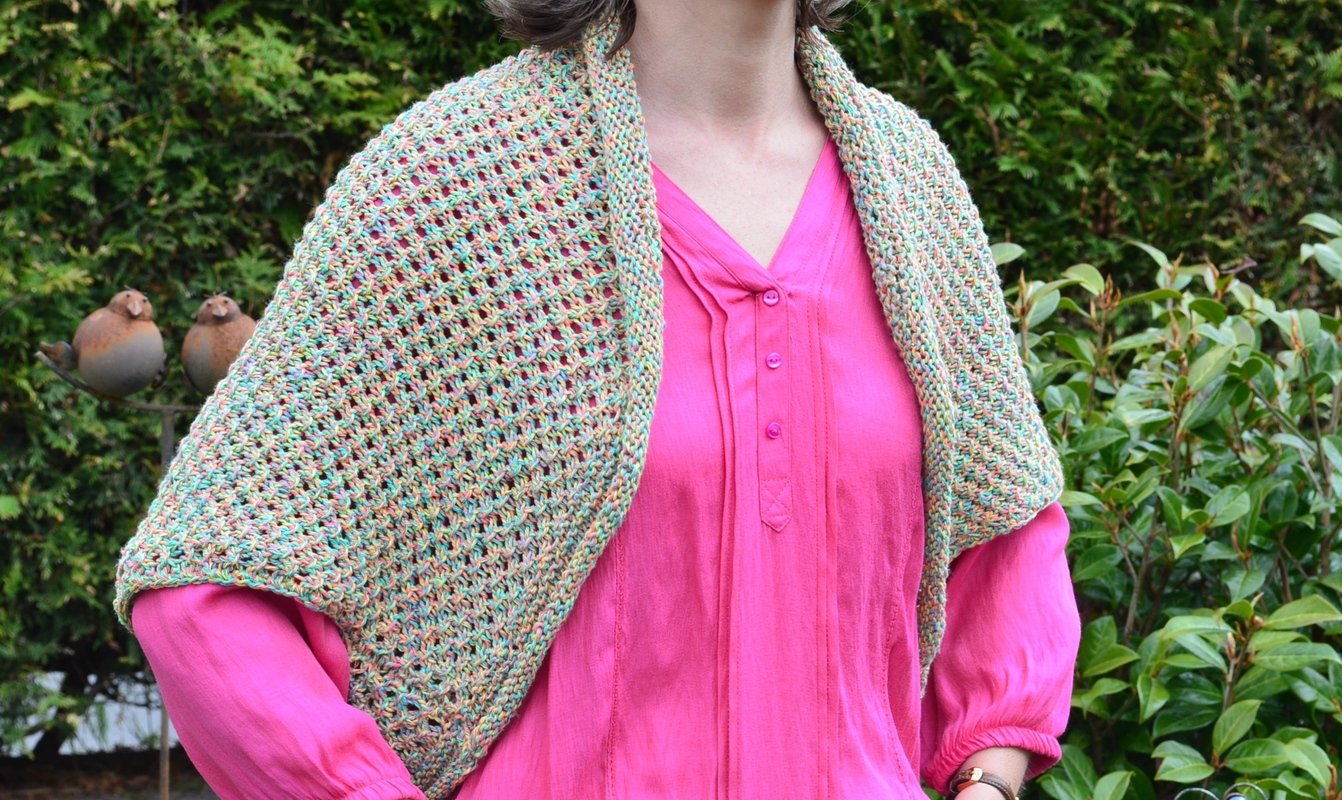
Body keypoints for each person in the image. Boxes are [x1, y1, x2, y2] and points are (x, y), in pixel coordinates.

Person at [115, 1, 1082, 798]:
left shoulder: (910, 186)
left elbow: (1005, 538)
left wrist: (988, 780)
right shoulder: (456, 181)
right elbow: (207, 583)